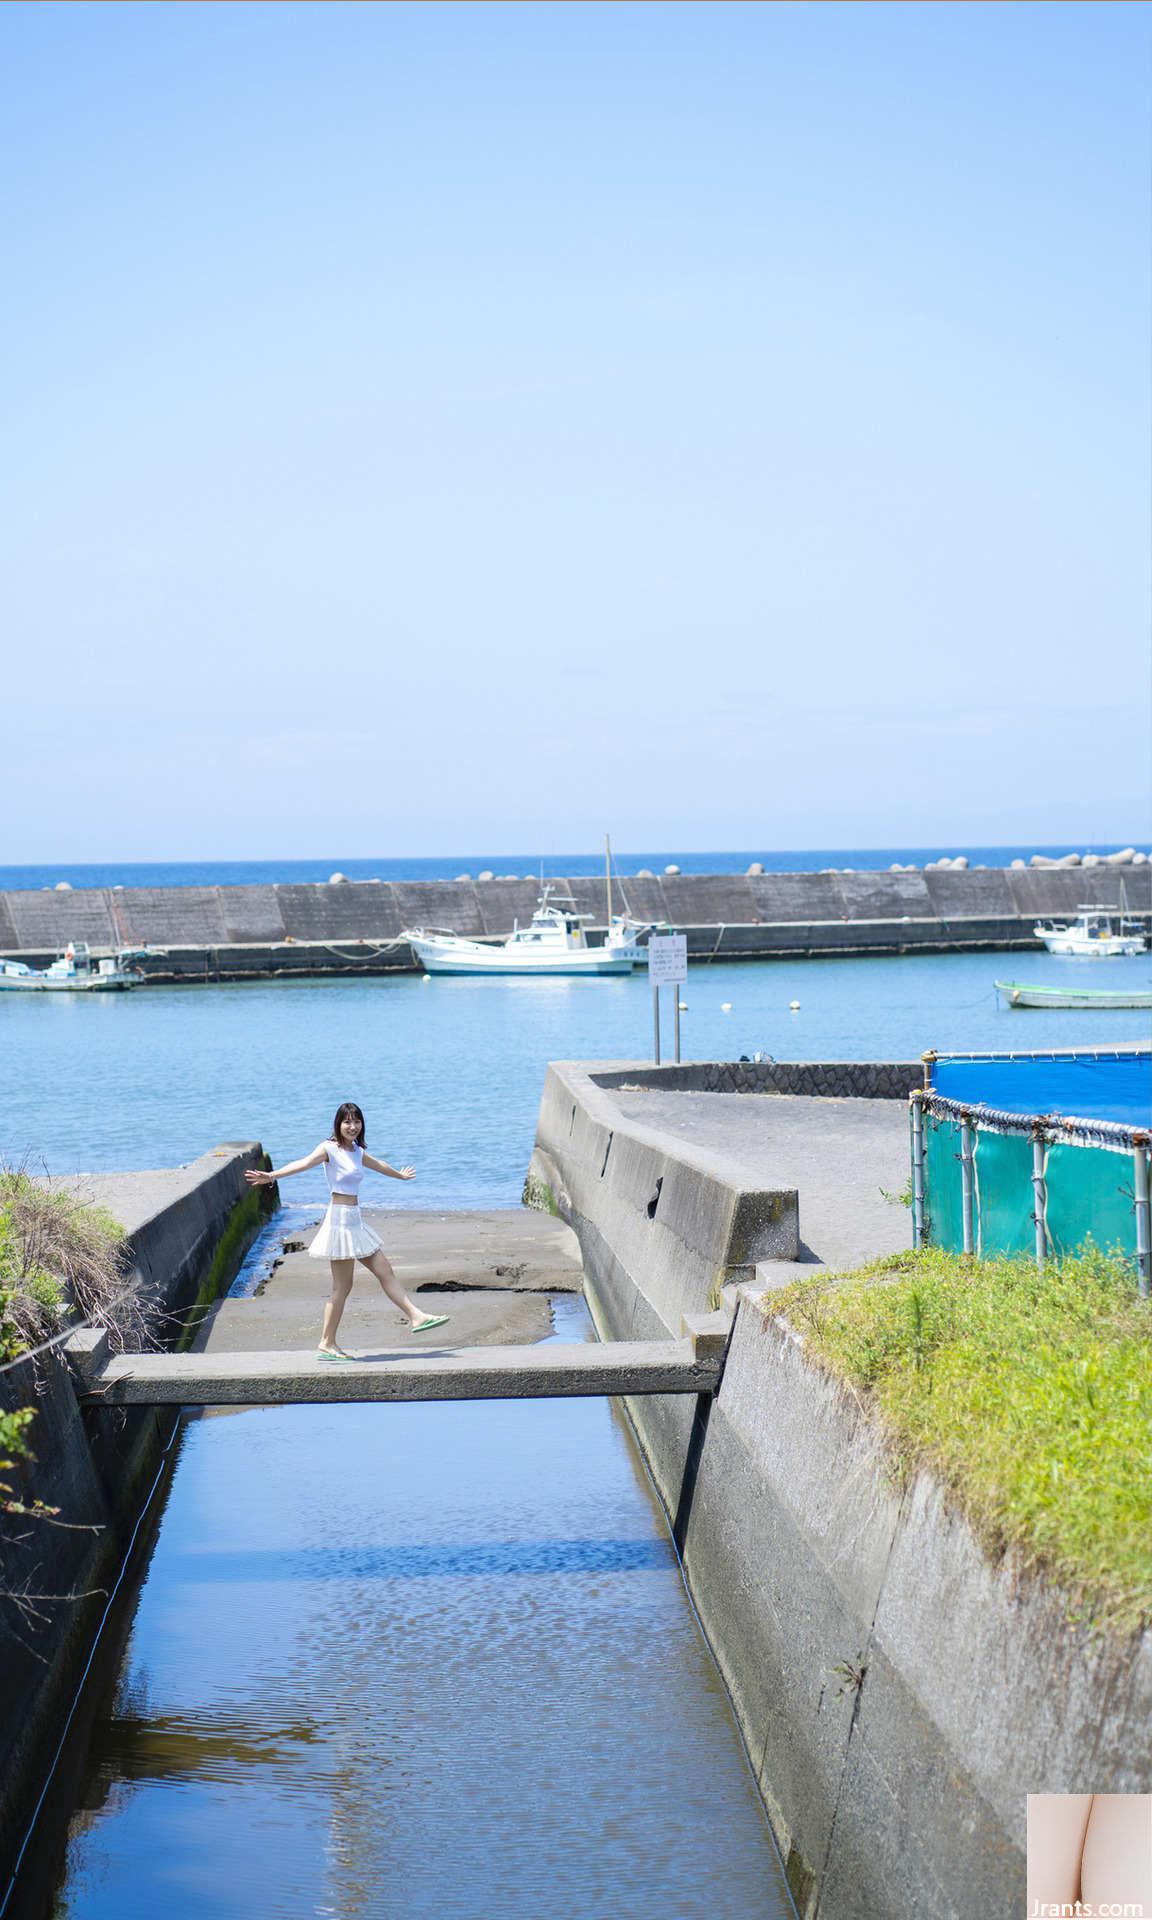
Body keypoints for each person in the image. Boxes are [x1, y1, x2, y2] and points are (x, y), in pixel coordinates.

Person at [245, 1101, 449, 1359]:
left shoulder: (357, 1151)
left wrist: (400, 1175)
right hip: (339, 1222)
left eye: (356, 1121)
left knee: (384, 1270)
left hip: (355, 1220)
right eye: (347, 1122)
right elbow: (304, 1163)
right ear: (338, 1124)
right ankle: (327, 1342)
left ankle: (416, 1317)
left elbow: (380, 1165)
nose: (352, 1126)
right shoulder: (329, 1148)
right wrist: (272, 1175)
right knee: (342, 1287)